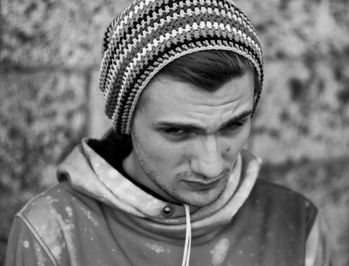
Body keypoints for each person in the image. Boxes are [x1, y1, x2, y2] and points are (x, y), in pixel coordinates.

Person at [5, 0, 328, 265]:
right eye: (177, 131)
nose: (211, 166)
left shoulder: (296, 223)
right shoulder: (53, 232)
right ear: (127, 121)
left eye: (233, 125)